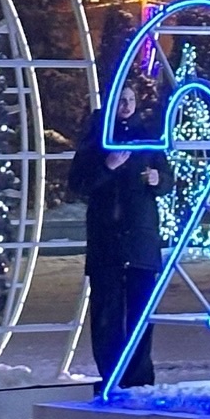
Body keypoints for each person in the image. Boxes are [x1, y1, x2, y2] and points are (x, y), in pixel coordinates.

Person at [71, 101, 165, 387]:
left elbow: (166, 177)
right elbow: (78, 185)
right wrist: (107, 167)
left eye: (131, 100)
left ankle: (138, 376)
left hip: (140, 240)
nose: (126, 106)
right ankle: (112, 375)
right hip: (107, 243)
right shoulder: (95, 139)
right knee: (107, 314)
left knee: (140, 312)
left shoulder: (146, 138)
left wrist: (159, 180)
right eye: (120, 100)